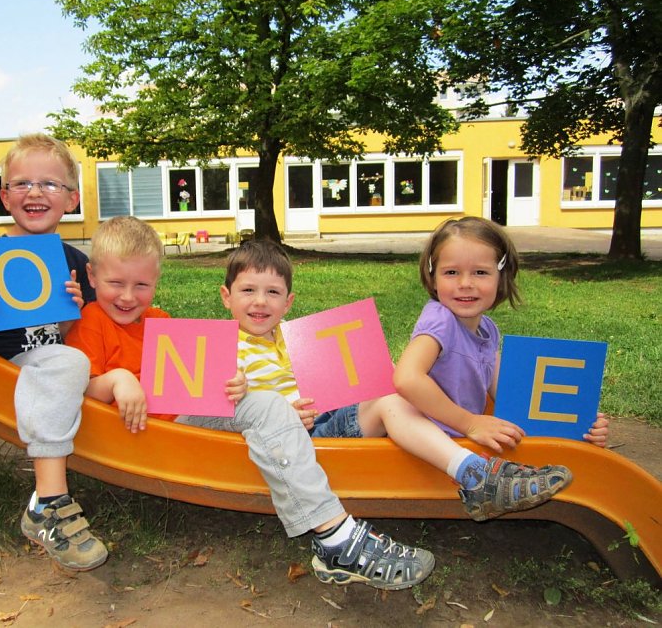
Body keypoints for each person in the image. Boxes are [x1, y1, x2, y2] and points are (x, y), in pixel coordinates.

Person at [66, 216, 435, 591]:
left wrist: (231, 382)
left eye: (141, 285)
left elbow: (192, 377)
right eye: (116, 283)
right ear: (92, 276)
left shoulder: (160, 320)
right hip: (165, 430)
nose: (128, 296)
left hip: (195, 415)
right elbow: (80, 388)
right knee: (269, 405)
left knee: (288, 399)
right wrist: (117, 379)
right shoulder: (89, 321)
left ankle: (350, 521)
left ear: (156, 282)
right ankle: (336, 539)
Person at [221, 238, 605, 524]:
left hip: (329, 418)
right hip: (293, 439)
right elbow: (216, 412)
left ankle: (477, 474)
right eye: (248, 291)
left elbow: (514, 398)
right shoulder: (222, 351)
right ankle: (475, 476)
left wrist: (575, 425)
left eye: (272, 292)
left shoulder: (300, 336)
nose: (261, 302)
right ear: (227, 297)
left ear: (288, 302)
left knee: (389, 391)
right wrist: (257, 402)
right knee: (395, 398)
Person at [0, 134, 107, 571]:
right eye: (22, 184)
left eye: (49, 184)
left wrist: (71, 317)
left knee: (75, 361)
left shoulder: (77, 263)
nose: (35, 193)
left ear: (71, 198)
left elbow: (72, 337)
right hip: (7, 372)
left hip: (59, 369)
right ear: (5, 197)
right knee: (68, 361)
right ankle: (49, 502)